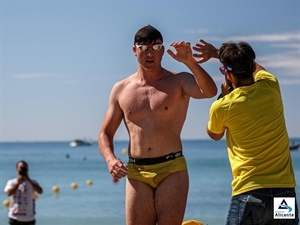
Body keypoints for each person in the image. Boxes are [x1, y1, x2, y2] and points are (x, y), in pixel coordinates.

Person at [98, 25, 217, 225]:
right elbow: (105, 133)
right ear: (135, 50)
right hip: (137, 171)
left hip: (172, 168)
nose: (150, 52)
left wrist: (190, 62)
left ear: (162, 50)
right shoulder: (121, 89)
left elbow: (209, 91)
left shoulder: (179, 81)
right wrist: (110, 160)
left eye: (156, 46)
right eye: (143, 47)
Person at [193, 40, 299, 225]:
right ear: (251, 67)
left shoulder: (224, 105)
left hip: (249, 192)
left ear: (227, 74)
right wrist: (218, 54)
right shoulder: (271, 86)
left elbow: (214, 134)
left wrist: (224, 95)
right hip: (285, 193)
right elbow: (258, 68)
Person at [4, 160, 43, 225]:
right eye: (21, 168)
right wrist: (18, 183)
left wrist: (29, 180)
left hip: (29, 218)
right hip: (15, 218)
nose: (23, 170)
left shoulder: (32, 182)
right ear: (17, 170)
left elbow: (40, 191)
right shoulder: (11, 182)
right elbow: (8, 193)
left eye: (25, 168)